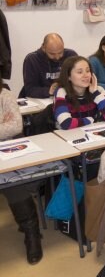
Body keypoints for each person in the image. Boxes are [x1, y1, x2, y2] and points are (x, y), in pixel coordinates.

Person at [0, 77, 43, 265]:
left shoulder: (5, 96)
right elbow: (7, 127)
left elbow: (15, 126)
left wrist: (7, 128)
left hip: (7, 152)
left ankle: (31, 232)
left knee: (11, 181)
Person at [53, 56, 105, 130]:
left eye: (88, 71)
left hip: (91, 134)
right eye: (80, 72)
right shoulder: (62, 92)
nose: (86, 75)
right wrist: (89, 120)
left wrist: (95, 93)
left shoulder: (98, 90)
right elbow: (66, 123)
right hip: (68, 136)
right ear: (68, 76)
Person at [21, 33, 77, 98]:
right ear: (43, 48)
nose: (57, 57)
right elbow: (30, 90)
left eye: (60, 52)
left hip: (64, 97)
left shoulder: (70, 55)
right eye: (52, 54)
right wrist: (49, 90)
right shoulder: (32, 59)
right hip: (39, 100)